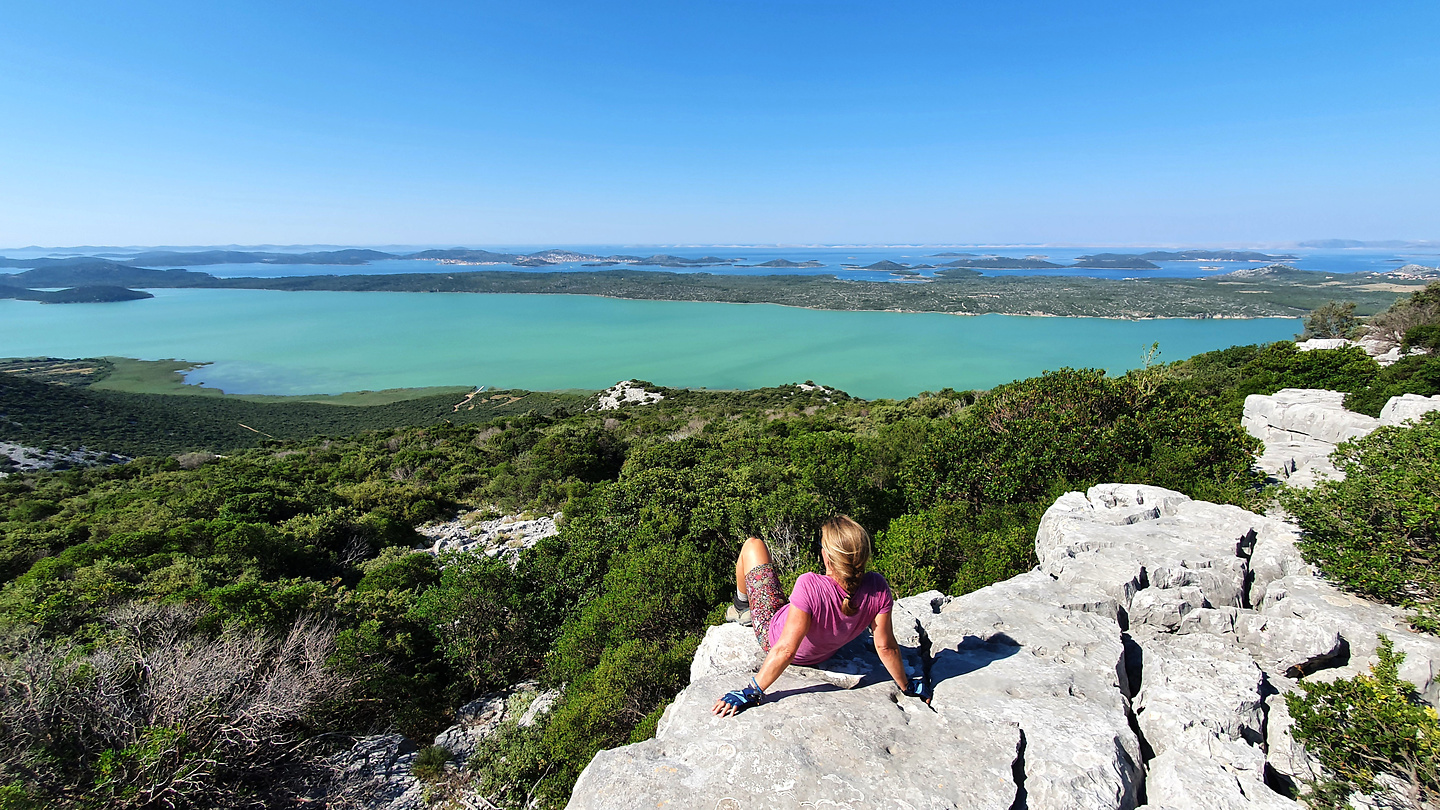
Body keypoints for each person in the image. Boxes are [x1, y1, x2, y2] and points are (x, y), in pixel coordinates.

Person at [712, 515, 926, 717]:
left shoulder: (810, 585)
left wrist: (752, 691)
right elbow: (886, 647)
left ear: (826, 555)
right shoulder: (877, 587)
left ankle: (741, 606)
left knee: (753, 545)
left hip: (773, 633)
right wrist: (906, 685)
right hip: (823, 654)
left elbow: (786, 650)